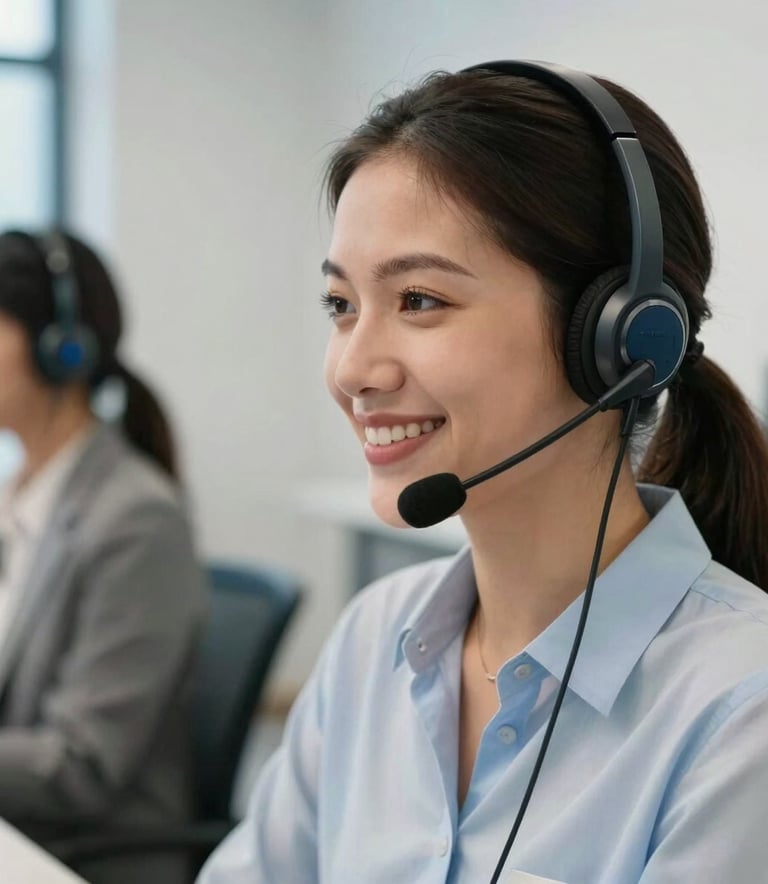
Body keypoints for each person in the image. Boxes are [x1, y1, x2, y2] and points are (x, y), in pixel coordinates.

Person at [199, 61, 768, 884]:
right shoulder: (375, 640)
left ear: (620, 340)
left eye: (420, 300)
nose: (353, 368)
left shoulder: (737, 714)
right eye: (341, 306)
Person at [0, 229, 207, 884]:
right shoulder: (22, 495)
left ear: (60, 348)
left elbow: (83, 766)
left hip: (86, 856)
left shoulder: (134, 519)